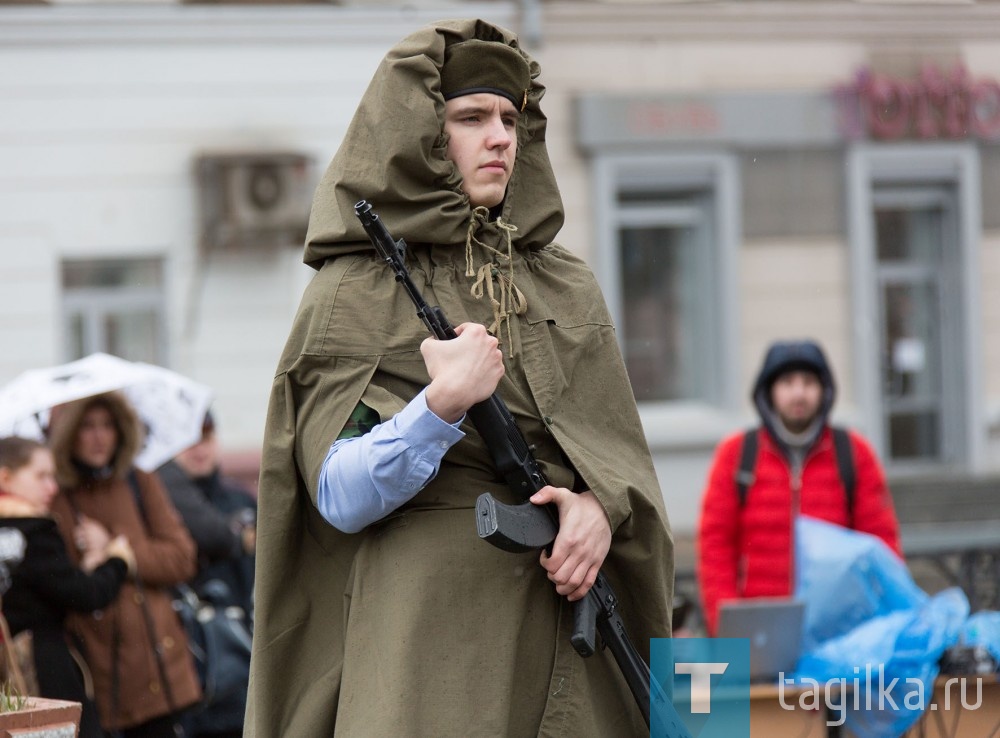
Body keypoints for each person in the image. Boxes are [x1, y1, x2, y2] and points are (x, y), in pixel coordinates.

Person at [246, 18, 675, 737]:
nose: (500, 136)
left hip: (568, 631)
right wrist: (440, 405)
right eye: (471, 117)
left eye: (510, 118)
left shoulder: (564, 283)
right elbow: (337, 492)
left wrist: (599, 511)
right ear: (421, 136)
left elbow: (618, 455)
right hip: (426, 653)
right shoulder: (354, 288)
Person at [697, 339, 903, 636]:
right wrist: (727, 626)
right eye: (787, 382)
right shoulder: (737, 454)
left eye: (808, 382)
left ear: (824, 390)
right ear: (769, 391)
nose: (798, 392)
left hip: (839, 630)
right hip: (760, 628)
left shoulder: (854, 452)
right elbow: (715, 546)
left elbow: (882, 547)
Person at [47, 392, 202, 737]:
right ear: (69, 433)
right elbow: (61, 586)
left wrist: (119, 550)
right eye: (87, 426)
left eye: (107, 425)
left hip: (162, 668)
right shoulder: (54, 497)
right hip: (102, 672)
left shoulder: (138, 481)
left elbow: (181, 558)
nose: (99, 436)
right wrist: (93, 562)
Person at [0, 436, 136, 738]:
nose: (52, 487)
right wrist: (117, 561)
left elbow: (46, 586)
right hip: (41, 669)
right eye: (41, 476)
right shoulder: (34, 531)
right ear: (5, 477)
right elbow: (87, 596)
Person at [158, 411, 255, 738]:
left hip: (244, 644)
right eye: (187, 440)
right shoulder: (160, 509)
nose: (198, 448)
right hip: (189, 650)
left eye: (206, 437)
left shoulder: (241, 501)